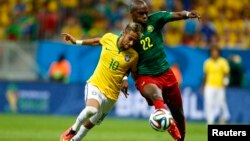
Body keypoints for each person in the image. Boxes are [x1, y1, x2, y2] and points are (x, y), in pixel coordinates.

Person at [128, 0, 201, 140]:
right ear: (132, 14)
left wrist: (187, 14)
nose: (144, 16)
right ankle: (161, 113)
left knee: (178, 112)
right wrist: (125, 78)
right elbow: (124, 57)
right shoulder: (128, 33)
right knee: (156, 95)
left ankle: (181, 138)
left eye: (146, 12)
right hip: (145, 76)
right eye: (140, 13)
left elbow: (175, 15)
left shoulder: (155, 19)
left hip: (166, 74)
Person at [60, 22, 143, 141]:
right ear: (124, 33)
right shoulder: (109, 38)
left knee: (92, 122)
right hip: (96, 84)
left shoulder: (134, 55)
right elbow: (96, 41)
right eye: (130, 39)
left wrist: (125, 79)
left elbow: (128, 69)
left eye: (134, 41)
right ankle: (72, 130)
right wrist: (76, 42)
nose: (131, 43)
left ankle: (75, 140)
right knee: (91, 110)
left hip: (111, 96)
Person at [202, 46, 230, 125]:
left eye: (216, 51)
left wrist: (226, 80)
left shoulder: (223, 61)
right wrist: (203, 85)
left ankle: (222, 120)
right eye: (213, 51)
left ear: (219, 52)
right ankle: (210, 121)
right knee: (209, 103)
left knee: (221, 104)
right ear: (210, 53)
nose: (214, 53)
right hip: (209, 86)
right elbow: (205, 75)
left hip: (220, 86)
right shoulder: (207, 62)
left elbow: (227, 73)